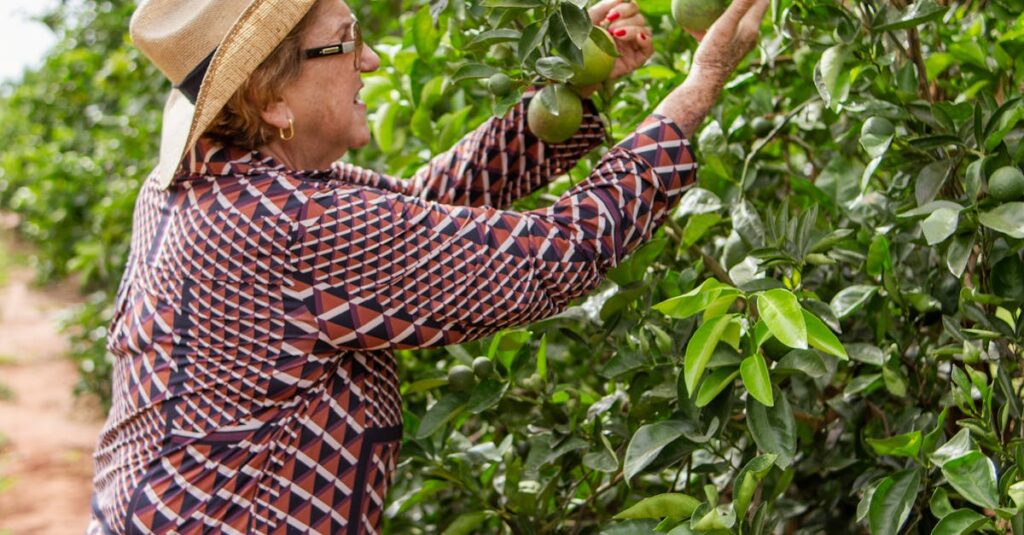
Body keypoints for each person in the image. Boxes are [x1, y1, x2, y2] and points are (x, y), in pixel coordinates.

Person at [87, 0, 768, 532]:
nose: (372, 59)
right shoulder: (286, 227)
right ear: (271, 99)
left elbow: (416, 213)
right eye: (346, 42)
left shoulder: (213, 184)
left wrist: (568, 88)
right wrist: (699, 87)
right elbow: (548, 257)